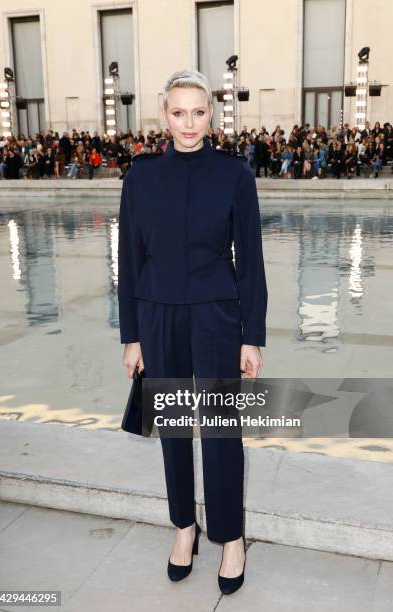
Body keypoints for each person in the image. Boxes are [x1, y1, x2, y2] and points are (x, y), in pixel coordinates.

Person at [118, 69, 267, 596]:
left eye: (198, 112)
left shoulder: (235, 175)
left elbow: (250, 262)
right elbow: (129, 260)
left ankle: (230, 536)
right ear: (164, 115)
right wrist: (131, 335)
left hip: (216, 316)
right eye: (178, 112)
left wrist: (253, 337)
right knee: (175, 432)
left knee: (223, 431)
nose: (188, 122)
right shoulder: (139, 177)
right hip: (158, 317)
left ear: (212, 115)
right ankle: (185, 527)